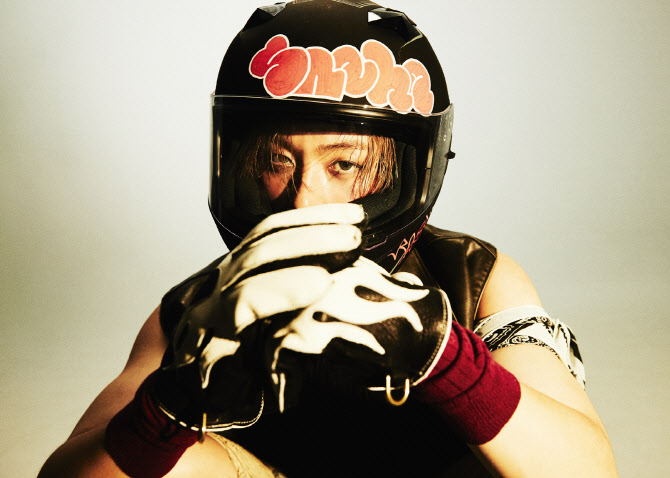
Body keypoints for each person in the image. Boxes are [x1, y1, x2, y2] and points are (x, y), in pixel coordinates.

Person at [38, 1, 618, 477]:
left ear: (406, 172)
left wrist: (442, 357)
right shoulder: (198, 310)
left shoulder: (476, 278)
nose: (303, 201)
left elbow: (588, 472)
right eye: (276, 160)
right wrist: (168, 410)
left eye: (345, 164)